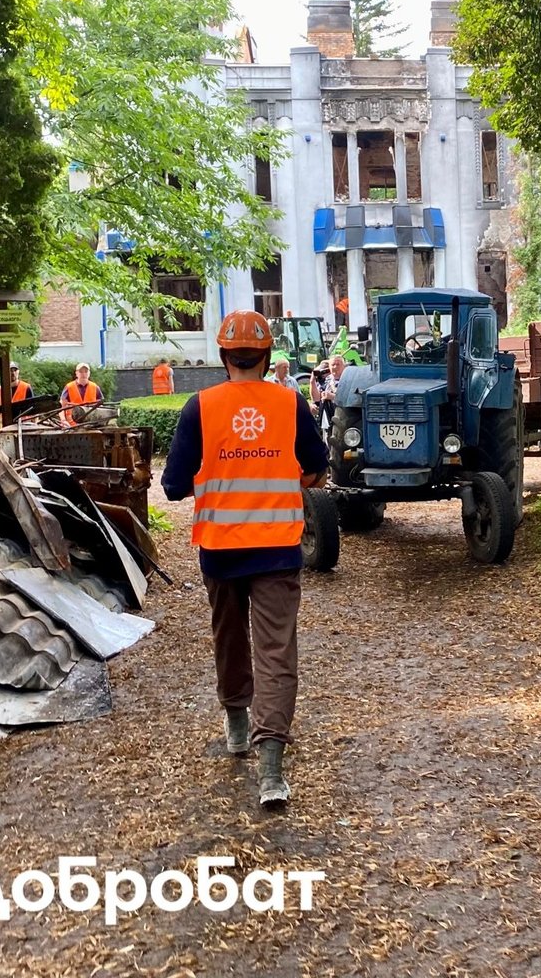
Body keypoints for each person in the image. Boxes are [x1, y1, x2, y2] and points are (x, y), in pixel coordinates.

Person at [160, 310, 328, 811]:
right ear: (270, 356)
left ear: (222, 355)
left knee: (229, 636)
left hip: (220, 549)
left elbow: (171, 485)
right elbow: (317, 469)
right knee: (276, 652)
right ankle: (271, 770)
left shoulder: (200, 407)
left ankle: (237, 726)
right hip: (277, 548)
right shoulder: (290, 402)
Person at [310, 354, 347, 436]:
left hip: (343, 421)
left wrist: (332, 396)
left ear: (344, 367)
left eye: (338, 364)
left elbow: (349, 399)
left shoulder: (348, 380)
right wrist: (312, 381)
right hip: (327, 422)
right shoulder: (326, 380)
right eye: (333, 364)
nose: (335, 367)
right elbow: (316, 398)